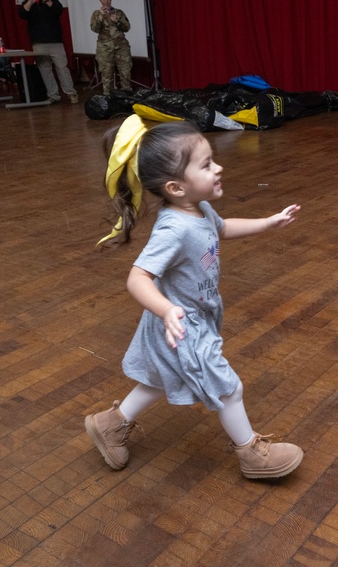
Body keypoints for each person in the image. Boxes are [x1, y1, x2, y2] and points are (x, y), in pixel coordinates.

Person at [85, 115, 304, 479]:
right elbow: (137, 278)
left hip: (191, 319)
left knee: (160, 378)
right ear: (176, 187)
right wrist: (168, 309)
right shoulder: (173, 228)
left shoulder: (199, 209)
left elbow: (221, 229)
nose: (219, 168)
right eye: (206, 165)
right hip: (181, 326)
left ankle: (111, 424)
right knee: (229, 388)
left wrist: (267, 222)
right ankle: (252, 455)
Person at [17, 0, 78, 104]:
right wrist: (31, 1)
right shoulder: (28, 2)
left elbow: (58, 10)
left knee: (62, 68)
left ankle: (71, 93)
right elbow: (22, 14)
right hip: (38, 43)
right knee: (45, 70)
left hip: (55, 41)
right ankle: (53, 95)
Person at [89, 0, 133, 95]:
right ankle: (108, 99)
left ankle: (126, 99)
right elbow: (95, 29)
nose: (106, 1)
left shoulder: (118, 12)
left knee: (125, 73)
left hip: (121, 47)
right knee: (107, 75)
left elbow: (127, 27)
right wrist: (100, 18)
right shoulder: (96, 14)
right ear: (100, 0)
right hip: (105, 48)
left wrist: (116, 21)